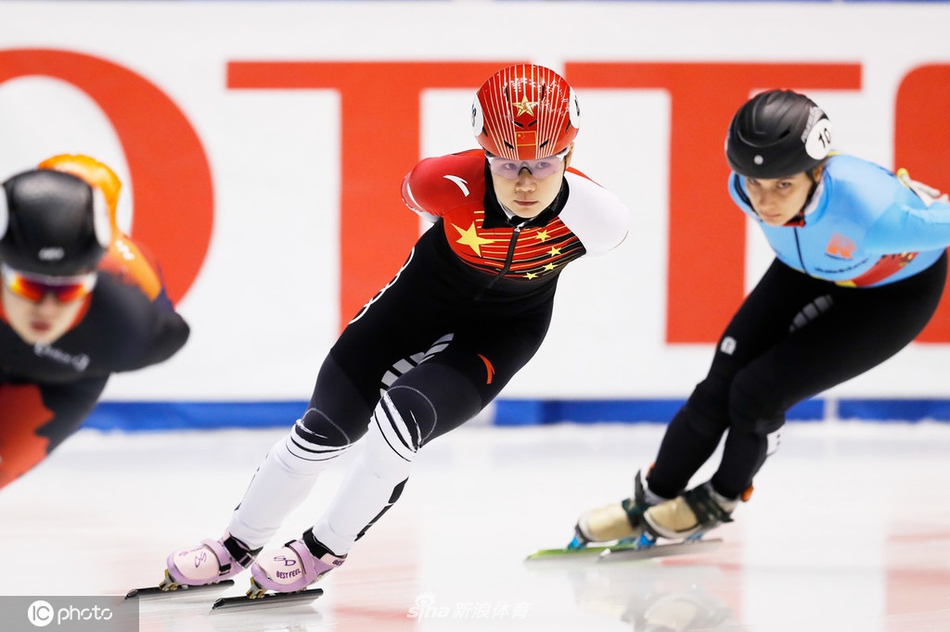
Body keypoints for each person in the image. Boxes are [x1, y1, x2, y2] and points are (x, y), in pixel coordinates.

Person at [163, 64, 630, 596]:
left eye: (543, 163)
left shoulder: (602, 218)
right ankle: (234, 546)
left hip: (505, 331)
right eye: (506, 163)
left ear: (570, 155)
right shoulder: (439, 182)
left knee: (401, 424)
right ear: (483, 152)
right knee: (320, 431)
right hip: (415, 306)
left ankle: (321, 550)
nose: (525, 181)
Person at [574, 89, 950, 547]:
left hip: (893, 295)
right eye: (755, 183)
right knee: (717, 387)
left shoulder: (876, 214)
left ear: (818, 171)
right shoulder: (744, 188)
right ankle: (652, 500)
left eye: (783, 185)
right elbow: (768, 194)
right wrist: (771, 190)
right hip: (807, 267)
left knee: (758, 392)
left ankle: (721, 497)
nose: (766, 201)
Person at [0, 154, 190, 490]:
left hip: (56, 387)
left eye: (68, 290)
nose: (46, 309)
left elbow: (168, 330)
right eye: (28, 286)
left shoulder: (133, 325)